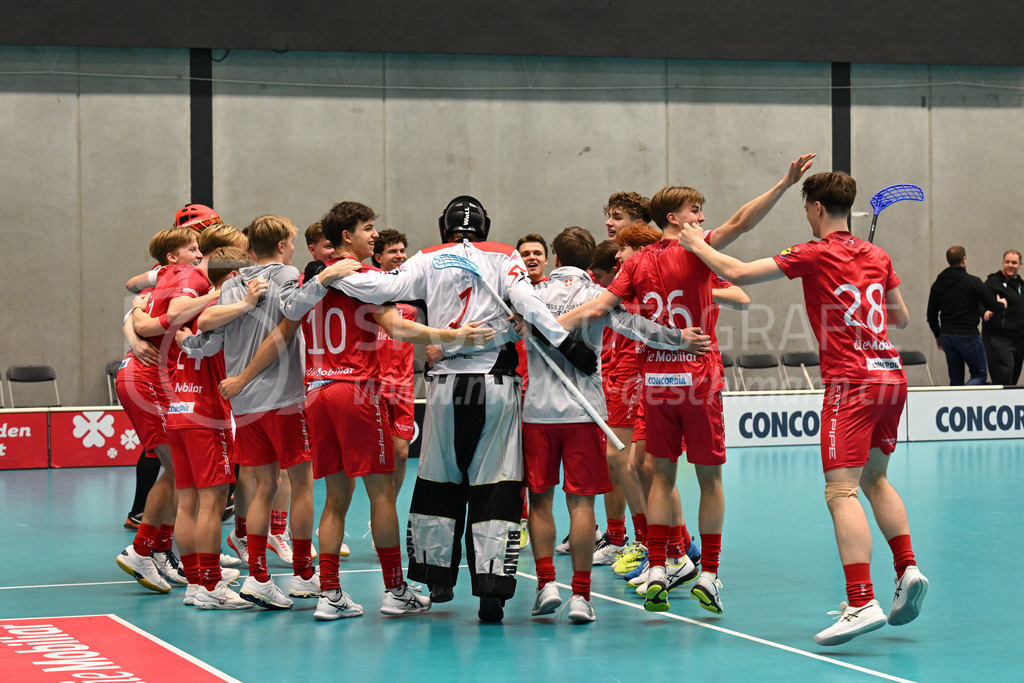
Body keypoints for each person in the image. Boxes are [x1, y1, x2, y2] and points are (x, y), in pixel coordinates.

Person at [678, 168, 930, 647]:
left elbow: (737, 273)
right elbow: (900, 317)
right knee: (875, 479)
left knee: (841, 492)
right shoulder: (877, 254)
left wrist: (695, 243)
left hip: (851, 382)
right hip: (891, 376)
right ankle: (907, 569)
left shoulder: (813, 251)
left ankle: (860, 600)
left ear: (816, 208)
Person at [561, 153, 815, 616]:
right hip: (697, 382)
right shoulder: (698, 250)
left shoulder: (636, 265)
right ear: (674, 219)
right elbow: (742, 222)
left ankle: (658, 566)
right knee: (709, 479)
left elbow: (597, 309)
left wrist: (545, 324)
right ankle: (711, 574)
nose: (702, 217)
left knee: (661, 475)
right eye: (695, 211)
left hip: (656, 382)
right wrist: (782, 184)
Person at [329, 195, 597, 623]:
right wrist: (568, 344)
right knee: (496, 484)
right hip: (495, 387)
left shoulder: (427, 257)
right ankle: (492, 592)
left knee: (439, 477)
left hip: (444, 386)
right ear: (484, 225)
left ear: (444, 226)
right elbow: (528, 303)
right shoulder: (504, 255)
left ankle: (438, 578)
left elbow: (378, 288)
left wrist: (332, 274)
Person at [523, 226, 703, 623]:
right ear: (591, 262)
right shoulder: (596, 296)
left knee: (539, 501)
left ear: (554, 257)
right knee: (581, 502)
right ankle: (582, 597)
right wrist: (680, 339)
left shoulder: (529, 294)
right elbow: (637, 327)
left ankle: (546, 584)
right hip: (585, 413)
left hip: (536, 412)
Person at [183, 215, 356, 611]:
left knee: (264, 486)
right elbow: (291, 317)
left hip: (244, 405)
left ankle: (259, 577)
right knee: (301, 484)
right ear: (281, 245)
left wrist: (187, 343)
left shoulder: (231, 284)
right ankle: (303, 574)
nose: (293, 248)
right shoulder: (286, 273)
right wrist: (325, 279)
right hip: (282, 397)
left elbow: (209, 344)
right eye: (292, 241)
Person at [372, 228, 417, 495]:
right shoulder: (366, 290)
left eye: (402, 250)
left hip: (402, 385)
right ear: (377, 257)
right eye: (393, 251)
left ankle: (386, 507)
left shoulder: (414, 289)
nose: (400, 256)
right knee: (364, 459)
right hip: (371, 385)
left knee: (401, 454)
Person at [926, 246, 1005, 385]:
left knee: (955, 379)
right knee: (979, 375)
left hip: (948, 335)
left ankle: (955, 403)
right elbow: (992, 305)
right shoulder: (973, 282)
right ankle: (964, 399)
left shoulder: (938, 284)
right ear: (964, 260)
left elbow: (931, 315)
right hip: (968, 334)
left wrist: (938, 335)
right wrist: (1002, 304)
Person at [983, 250, 1024, 385]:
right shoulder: (994, 282)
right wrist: (985, 313)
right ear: (1003, 263)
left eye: (1014, 262)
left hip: (1019, 338)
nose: (1010, 265)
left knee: (1013, 378)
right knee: (1004, 376)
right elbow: (979, 301)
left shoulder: (1021, 285)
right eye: (1007, 262)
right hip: (1000, 338)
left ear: (1020, 265)